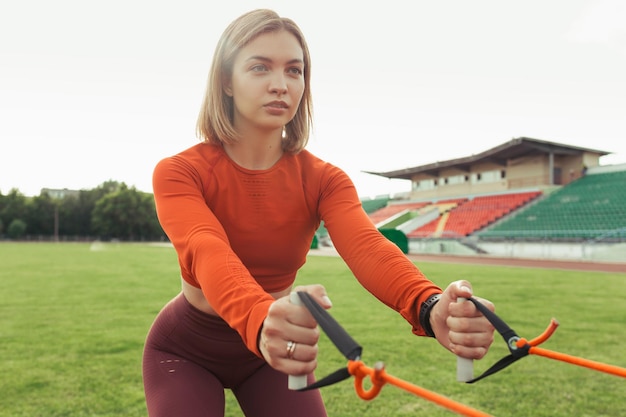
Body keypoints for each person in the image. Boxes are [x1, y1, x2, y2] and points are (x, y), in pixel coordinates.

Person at [142, 8, 495, 417]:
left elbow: (368, 248)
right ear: (226, 81)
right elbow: (208, 251)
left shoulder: (325, 179)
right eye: (260, 67)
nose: (281, 85)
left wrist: (430, 305)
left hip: (279, 351)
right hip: (186, 350)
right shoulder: (179, 171)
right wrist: (260, 321)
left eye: (294, 70)